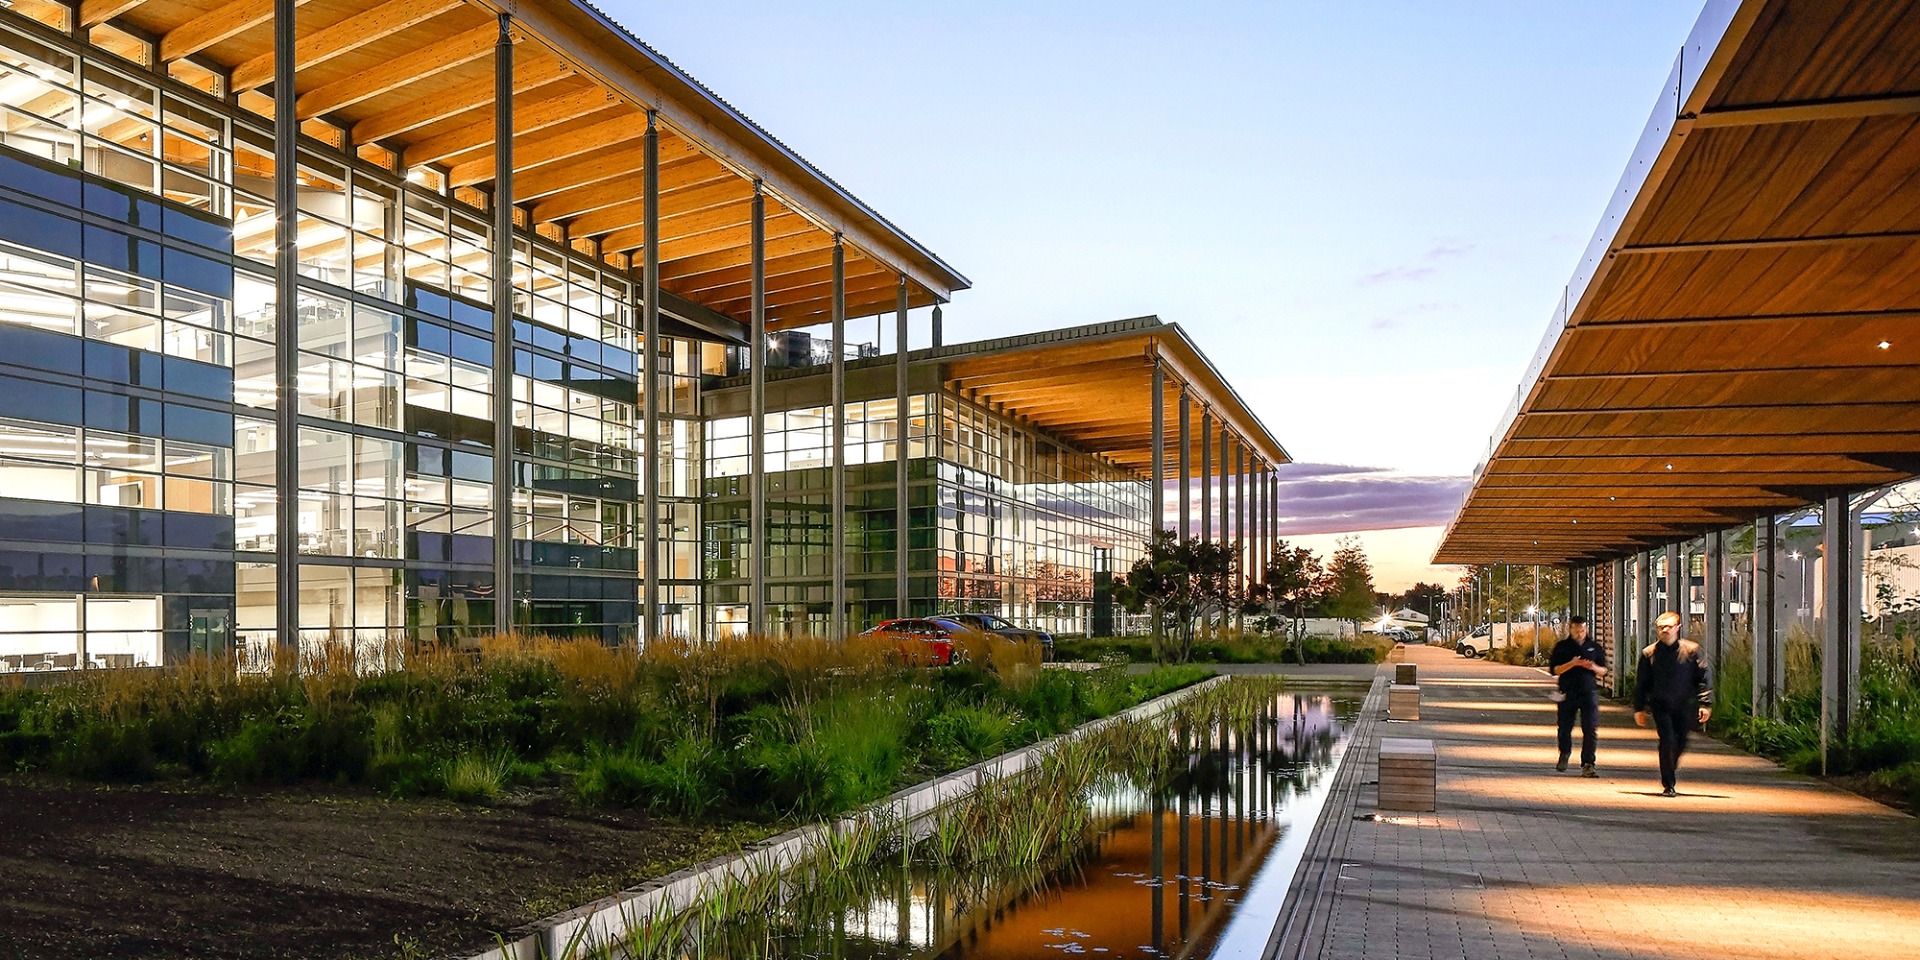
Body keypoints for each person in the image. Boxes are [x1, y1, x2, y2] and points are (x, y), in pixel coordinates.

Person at [1634, 611, 1711, 797]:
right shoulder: (1649, 654)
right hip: (1661, 705)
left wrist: (1705, 703)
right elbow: (1642, 683)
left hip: (1685, 704)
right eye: (1661, 627)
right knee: (1667, 740)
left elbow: (1703, 678)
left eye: (1668, 627)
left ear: (1678, 628)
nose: (1664, 630)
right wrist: (1639, 708)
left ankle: (1670, 766)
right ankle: (1668, 783)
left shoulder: (1692, 651)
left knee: (1682, 741)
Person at [1548, 615, 1607, 776]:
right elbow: (1555, 670)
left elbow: (1604, 671)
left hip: (1588, 693)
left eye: (1582, 630)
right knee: (1565, 727)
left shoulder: (1594, 647)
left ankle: (1588, 763)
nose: (1580, 634)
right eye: (1576, 630)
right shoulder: (1562, 647)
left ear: (1586, 629)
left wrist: (1593, 666)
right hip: (1567, 692)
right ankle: (1565, 752)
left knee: (1590, 728)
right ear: (1570, 629)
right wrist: (1572, 664)